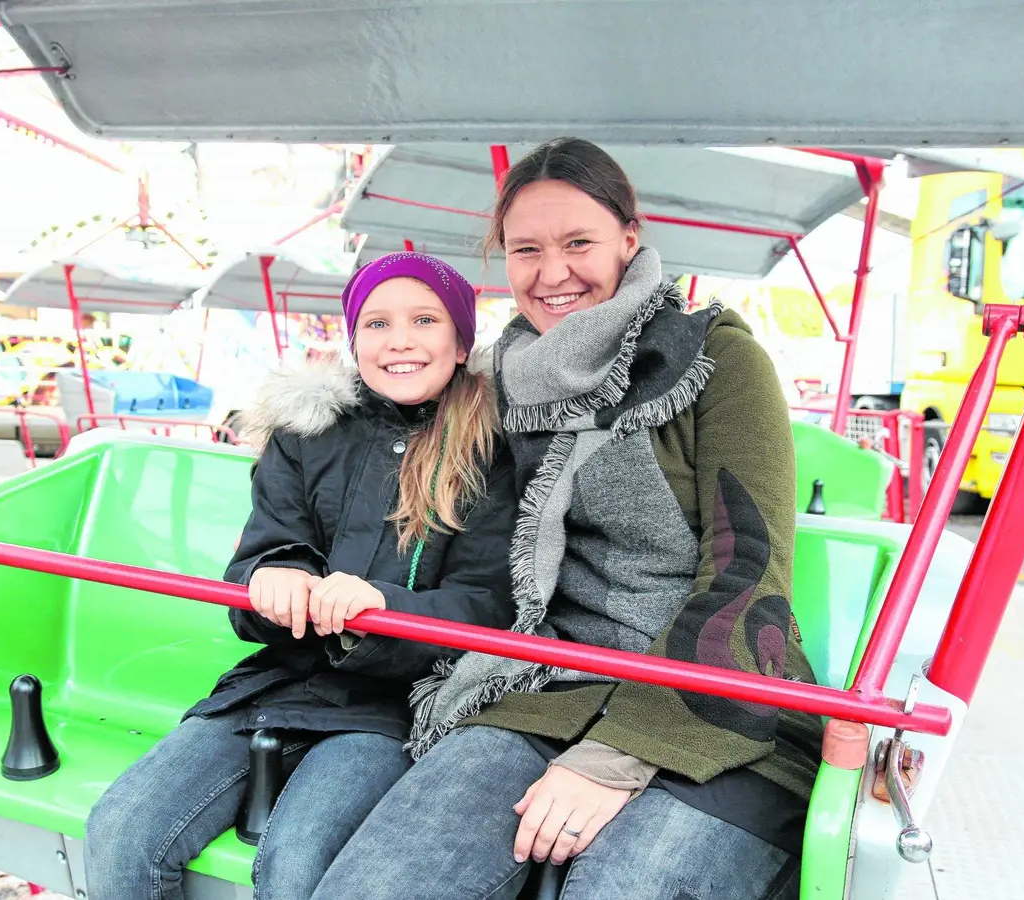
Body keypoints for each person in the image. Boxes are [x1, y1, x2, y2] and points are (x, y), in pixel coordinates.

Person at [312, 138, 821, 900]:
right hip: (545, 681)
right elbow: (390, 429)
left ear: (628, 238)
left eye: (578, 242)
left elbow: (751, 569)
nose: (553, 273)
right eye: (527, 250)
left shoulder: (715, 356)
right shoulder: (499, 382)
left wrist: (619, 755)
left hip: (720, 692)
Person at [83, 252, 521, 900]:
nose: (399, 339)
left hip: (388, 709)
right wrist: (274, 577)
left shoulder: (490, 454)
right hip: (274, 683)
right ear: (352, 341)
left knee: (296, 865)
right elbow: (270, 544)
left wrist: (382, 607)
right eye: (376, 324)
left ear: (460, 341)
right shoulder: (307, 435)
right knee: (119, 833)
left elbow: (487, 602)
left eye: (424, 320)